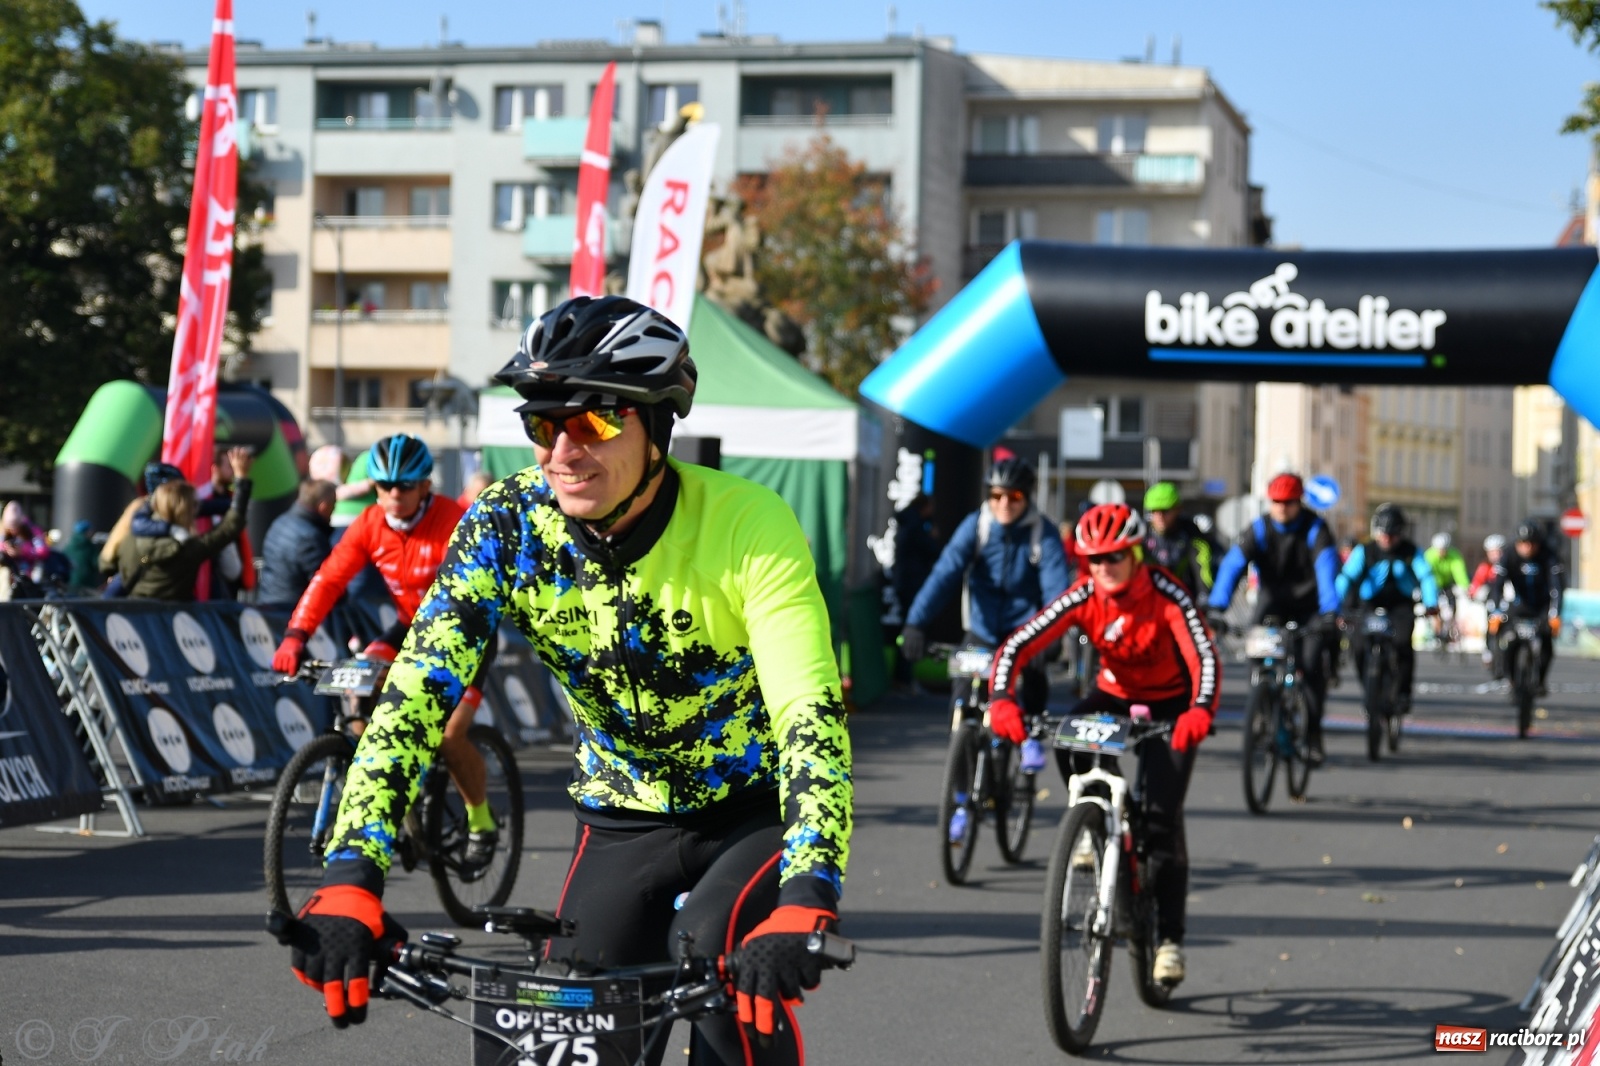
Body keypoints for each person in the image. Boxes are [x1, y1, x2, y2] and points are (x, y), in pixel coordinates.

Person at [280, 296, 853, 1064]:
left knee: (720, 966)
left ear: (660, 424)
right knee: (561, 1024)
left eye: (596, 422)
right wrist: (353, 871)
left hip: (753, 812)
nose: (562, 451)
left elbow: (808, 710)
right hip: (621, 820)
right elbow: (416, 693)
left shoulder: (749, 524)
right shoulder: (506, 525)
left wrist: (808, 893)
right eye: (544, 425)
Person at [987, 502, 1219, 987]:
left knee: (1161, 821)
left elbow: (1203, 655)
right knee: (1066, 735)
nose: (1103, 568)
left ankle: (1170, 939)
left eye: (1114, 557)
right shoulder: (1084, 593)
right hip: (1113, 693)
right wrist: (1002, 699)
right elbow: (1019, 643)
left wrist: (1199, 709)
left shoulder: (1166, 593)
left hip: (1170, 705)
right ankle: (1095, 814)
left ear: (1135, 554)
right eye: (1093, 559)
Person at [270, 435, 498, 867]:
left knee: (450, 736)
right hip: (411, 626)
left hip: (467, 631)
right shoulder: (370, 523)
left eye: (405, 485)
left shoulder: (454, 519)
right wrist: (295, 635)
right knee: (360, 696)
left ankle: (482, 820)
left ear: (424, 486)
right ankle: (392, 804)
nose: (394, 494)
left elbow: (483, 587)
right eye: (384, 485)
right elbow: (329, 580)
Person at [902, 457, 1071, 774]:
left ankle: (1031, 737)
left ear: (1027, 496)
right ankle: (962, 769)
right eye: (996, 495)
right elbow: (944, 574)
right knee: (963, 691)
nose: (1004, 503)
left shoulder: (1043, 534)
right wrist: (915, 622)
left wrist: (1051, 639)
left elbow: (1056, 592)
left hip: (1024, 631)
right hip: (982, 628)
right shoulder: (976, 526)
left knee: (1034, 676)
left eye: (1014, 496)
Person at [1208, 472, 1340, 764]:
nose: (1282, 508)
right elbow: (1232, 566)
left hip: (1311, 607)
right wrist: (1217, 606)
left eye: (1289, 503)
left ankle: (1313, 734)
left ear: (1299, 502)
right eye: (1276, 502)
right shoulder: (1259, 529)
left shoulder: (1316, 529)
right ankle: (1263, 707)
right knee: (1257, 657)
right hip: (1272, 604)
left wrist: (1330, 612)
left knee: (1310, 666)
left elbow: (1327, 570)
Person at [1336, 503, 1439, 716]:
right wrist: (1335, 603)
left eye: (1392, 535)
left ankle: (1403, 693)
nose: (1387, 540)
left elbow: (1426, 577)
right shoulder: (1365, 550)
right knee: (1359, 647)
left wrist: (1431, 603)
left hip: (1400, 606)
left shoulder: (1411, 551)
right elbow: (1347, 576)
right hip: (1369, 605)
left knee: (1403, 645)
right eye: (1383, 534)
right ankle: (1370, 689)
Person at [113, 449, 254, 601]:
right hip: (171, 616)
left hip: (136, 612)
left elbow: (132, 569)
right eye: (194, 505)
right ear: (187, 511)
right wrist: (241, 478)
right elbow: (230, 526)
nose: (198, 508)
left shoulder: (134, 542)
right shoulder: (187, 551)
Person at [1490, 521, 1564, 694]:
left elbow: (1557, 588)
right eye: (1523, 543)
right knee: (1506, 640)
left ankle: (1540, 681)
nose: (1527, 547)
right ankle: (1510, 679)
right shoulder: (1508, 555)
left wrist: (1555, 615)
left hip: (1542, 606)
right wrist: (1496, 613)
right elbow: (1497, 586)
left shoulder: (1549, 556)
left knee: (1546, 644)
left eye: (1532, 543)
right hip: (1518, 605)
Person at [258, 480, 338, 605]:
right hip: (291, 612)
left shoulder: (279, 522)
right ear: (324, 507)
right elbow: (327, 585)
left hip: (267, 604)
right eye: (333, 506)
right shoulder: (310, 537)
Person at [889, 494, 940, 690]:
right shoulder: (914, 527)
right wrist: (932, 538)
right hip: (911, 584)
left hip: (906, 582)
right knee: (910, 632)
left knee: (907, 630)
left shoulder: (908, 523)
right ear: (924, 507)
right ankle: (904, 679)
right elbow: (931, 551)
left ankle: (903, 678)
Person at [1141, 481, 1220, 601]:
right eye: (1154, 511)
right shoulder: (1142, 535)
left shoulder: (1191, 533)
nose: (1160, 516)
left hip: (1185, 598)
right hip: (1149, 598)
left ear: (1178, 509)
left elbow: (1204, 571)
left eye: (1165, 511)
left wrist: (1205, 598)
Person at [0, 502, 50, 583]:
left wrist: (23, 551)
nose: (13, 531)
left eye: (16, 526)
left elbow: (43, 551)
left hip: (29, 571)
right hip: (8, 572)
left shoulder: (32, 531)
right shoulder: (2, 531)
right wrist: (6, 550)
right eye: (10, 528)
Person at [62, 519, 99, 591]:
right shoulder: (90, 546)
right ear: (86, 531)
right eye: (90, 530)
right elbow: (96, 564)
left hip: (70, 583)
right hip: (87, 583)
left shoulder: (67, 546)